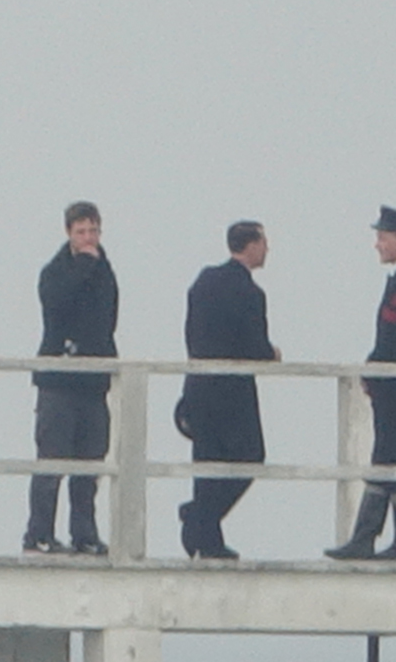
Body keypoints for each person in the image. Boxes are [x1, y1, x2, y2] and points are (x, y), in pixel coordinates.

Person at [326, 205, 396, 563]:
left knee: (391, 460)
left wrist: (374, 369)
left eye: (383, 237)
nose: (377, 245)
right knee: (393, 459)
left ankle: (381, 538)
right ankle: (392, 537)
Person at [176, 220, 279, 558]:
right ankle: (199, 518)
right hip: (231, 394)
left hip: (198, 388)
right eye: (263, 242)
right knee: (250, 458)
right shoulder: (251, 293)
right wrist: (272, 354)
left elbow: (192, 334)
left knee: (208, 465)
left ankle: (206, 539)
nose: (267, 248)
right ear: (250, 245)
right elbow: (254, 348)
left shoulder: (203, 281)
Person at [23, 200, 119, 556]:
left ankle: (85, 533)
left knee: (89, 465)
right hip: (58, 384)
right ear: (69, 233)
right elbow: (57, 307)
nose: (89, 237)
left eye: (93, 230)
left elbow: (107, 319)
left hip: (93, 385)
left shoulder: (106, 272)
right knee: (52, 460)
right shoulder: (55, 272)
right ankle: (39, 533)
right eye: (81, 231)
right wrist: (82, 266)